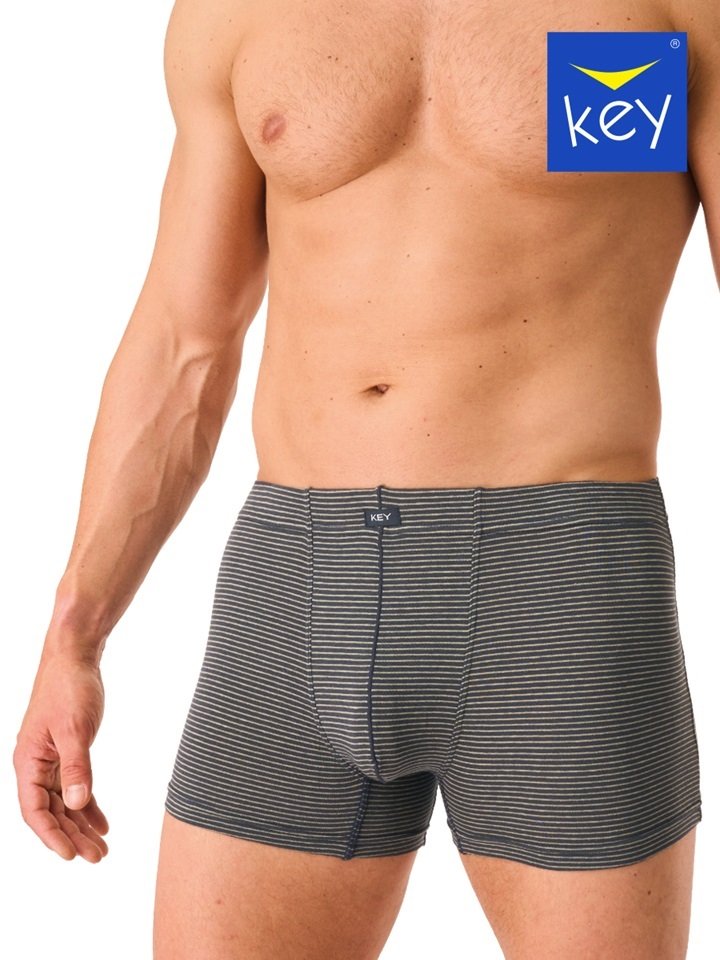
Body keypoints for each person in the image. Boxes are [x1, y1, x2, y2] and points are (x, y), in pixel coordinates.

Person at [13, 0, 715, 956]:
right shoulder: (236, 15)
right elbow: (186, 342)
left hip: (559, 589)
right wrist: (74, 635)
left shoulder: (666, 13)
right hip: (293, 588)